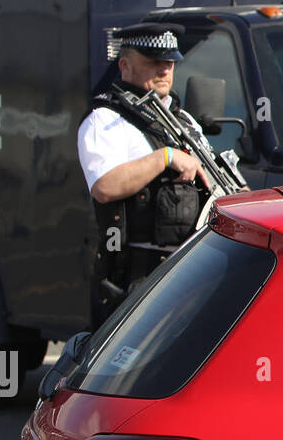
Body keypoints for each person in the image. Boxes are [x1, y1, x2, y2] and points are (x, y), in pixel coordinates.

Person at [77, 23, 213, 323]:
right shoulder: (106, 120)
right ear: (125, 65)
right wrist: (165, 157)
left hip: (191, 273)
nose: (164, 70)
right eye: (153, 62)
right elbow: (104, 186)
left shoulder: (185, 121)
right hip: (136, 280)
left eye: (169, 62)